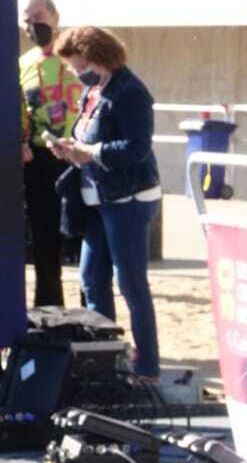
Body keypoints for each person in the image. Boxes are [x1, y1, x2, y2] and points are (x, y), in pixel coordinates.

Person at [49, 25, 159, 380]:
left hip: (128, 198)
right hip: (99, 198)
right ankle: (106, 362)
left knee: (130, 283)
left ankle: (148, 366)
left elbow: (136, 147)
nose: (74, 72)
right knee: (91, 279)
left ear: (97, 58)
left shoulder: (130, 91)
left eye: (77, 65)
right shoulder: (96, 91)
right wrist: (70, 149)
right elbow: (90, 139)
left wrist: (90, 153)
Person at [18, 0, 80, 308]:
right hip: (40, 160)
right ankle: (49, 308)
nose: (33, 26)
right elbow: (19, 108)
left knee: (84, 240)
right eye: (27, 20)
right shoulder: (24, 63)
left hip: (79, 157)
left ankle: (90, 312)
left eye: (39, 17)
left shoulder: (76, 54)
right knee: (43, 238)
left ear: (55, 17)